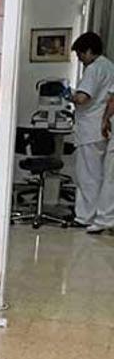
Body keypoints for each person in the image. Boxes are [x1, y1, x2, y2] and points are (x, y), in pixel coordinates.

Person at [67, 32, 114, 232]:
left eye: (80, 55)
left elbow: (82, 98)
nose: (80, 59)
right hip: (101, 129)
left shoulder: (94, 69)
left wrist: (68, 94)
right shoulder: (109, 66)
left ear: (88, 51)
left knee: (88, 176)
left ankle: (85, 217)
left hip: (90, 131)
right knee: (101, 175)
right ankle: (99, 216)